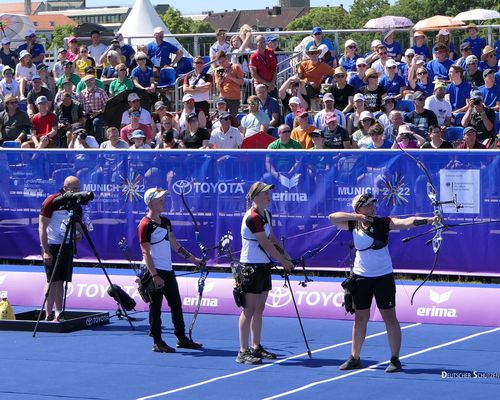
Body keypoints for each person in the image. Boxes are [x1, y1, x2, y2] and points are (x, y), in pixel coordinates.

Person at [328, 193, 439, 373]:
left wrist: (430, 220)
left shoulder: (382, 222)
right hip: (361, 278)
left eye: (374, 205)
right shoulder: (353, 223)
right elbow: (332, 218)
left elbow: (407, 222)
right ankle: (355, 357)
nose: (373, 208)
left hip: (383, 277)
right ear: (360, 209)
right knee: (360, 319)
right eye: (369, 205)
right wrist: (357, 217)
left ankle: (395, 359)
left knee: (389, 318)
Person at [138, 187, 203, 353]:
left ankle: (181, 339)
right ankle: (157, 341)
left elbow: (175, 244)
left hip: (168, 271)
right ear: (151, 202)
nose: (164, 202)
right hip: (154, 272)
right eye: (160, 200)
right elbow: (145, 252)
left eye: (164, 199)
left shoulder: (166, 222)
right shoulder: (145, 224)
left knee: (176, 305)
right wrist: (154, 275)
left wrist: (194, 260)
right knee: (156, 307)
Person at [236, 182, 294, 364]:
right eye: (265, 193)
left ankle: (256, 346)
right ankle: (243, 351)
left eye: (269, 193)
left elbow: (272, 238)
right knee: (249, 309)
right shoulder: (253, 217)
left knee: (259, 309)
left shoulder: (266, 214)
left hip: (263, 266)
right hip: (250, 267)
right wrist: (283, 262)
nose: (269, 196)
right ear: (255, 197)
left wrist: (286, 255)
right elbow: (265, 244)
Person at [39, 176, 84, 321]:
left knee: (61, 281)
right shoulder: (51, 201)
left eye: (79, 188)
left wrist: (78, 235)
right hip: (52, 245)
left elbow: (78, 227)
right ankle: (48, 314)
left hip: (67, 245)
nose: (78, 191)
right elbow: (42, 227)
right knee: (52, 281)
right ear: (65, 188)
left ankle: (58, 313)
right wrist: (46, 250)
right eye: (75, 189)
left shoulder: (76, 203)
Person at [214, 51, 244, 116]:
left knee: (233, 118)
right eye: (219, 62)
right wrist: (219, 82)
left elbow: (241, 82)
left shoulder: (235, 67)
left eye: (223, 61)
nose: (221, 64)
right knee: (221, 117)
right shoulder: (218, 70)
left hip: (234, 98)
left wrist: (230, 77)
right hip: (223, 98)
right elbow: (218, 88)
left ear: (226, 59)